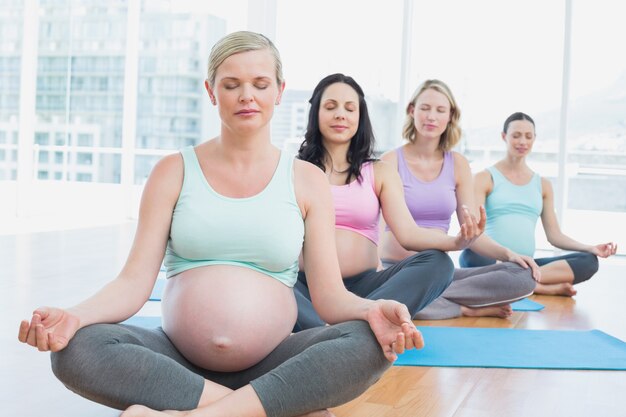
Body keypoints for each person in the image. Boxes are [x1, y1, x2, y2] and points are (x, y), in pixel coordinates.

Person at [17, 32, 423, 417]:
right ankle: (261, 406)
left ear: (280, 92)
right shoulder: (172, 171)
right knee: (77, 348)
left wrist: (373, 309)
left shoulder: (306, 180)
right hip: (177, 361)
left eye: (260, 83)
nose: (247, 95)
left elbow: (330, 298)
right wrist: (75, 314)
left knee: (371, 342)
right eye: (231, 84)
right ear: (211, 91)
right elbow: (132, 283)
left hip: (275, 360)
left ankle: (200, 410)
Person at [294, 73, 484, 330]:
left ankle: (345, 327)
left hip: (365, 287)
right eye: (330, 107)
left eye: (350, 108)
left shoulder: (379, 171)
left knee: (439, 264)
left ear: (360, 117)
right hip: (305, 287)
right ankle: (355, 330)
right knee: (269, 281)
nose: (341, 114)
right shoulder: (296, 171)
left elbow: (408, 233)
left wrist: (456, 242)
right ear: (316, 113)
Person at [380, 80, 538, 319]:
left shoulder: (458, 164)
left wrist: (508, 254)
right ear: (412, 110)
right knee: (392, 295)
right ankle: (463, 308)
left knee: (523, 276)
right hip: (396, 269)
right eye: (425, 108)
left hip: (440, 272)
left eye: (440, 110)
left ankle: (433, 300)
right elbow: (375, 229)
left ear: (450, 115)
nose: (431, 116)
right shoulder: (390, 161)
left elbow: (471, 233)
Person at [459, 111, 617, 296]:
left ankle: (518, 282)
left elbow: (554, 235)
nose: (522, 142)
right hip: (492, 261)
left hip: (528, 264)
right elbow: (474, 232)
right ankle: (536, 286)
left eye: (528, 136)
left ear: (535, 139)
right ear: (504, 137)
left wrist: (589, 247)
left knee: (588, 261)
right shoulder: (484, 178)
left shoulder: (543, 185)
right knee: (472, 255)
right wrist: (503, 256)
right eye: (516, 135)